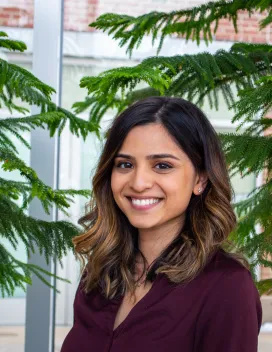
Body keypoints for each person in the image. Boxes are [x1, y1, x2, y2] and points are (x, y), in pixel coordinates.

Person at [60, 96, 262, 352]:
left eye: (162, 165)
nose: (139, 182)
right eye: (125, 164)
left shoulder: (227, 287)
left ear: (200, 178)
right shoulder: (101, 273)